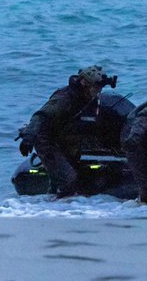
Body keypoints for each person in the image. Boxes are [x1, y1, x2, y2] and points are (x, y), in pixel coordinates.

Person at [17, 65, 116, 198]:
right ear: (84, 83)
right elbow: (41, 116)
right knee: (69, 179)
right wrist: (29, 137)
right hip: (46, 138)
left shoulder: (88, 98)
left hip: (67, 138)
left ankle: (52, 197)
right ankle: (60, 209)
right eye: (95, 88)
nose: (97, 91)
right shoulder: (65, 98)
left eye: (100, 88)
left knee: (74, 174)